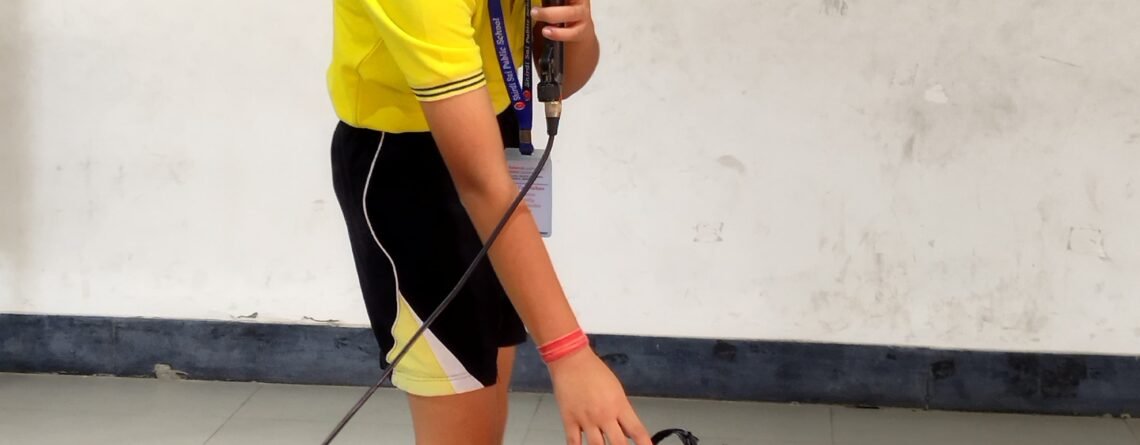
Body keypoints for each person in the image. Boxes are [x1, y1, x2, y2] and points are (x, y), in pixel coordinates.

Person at [326, 0, 651, 444]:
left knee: (485, 392)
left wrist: (577, 28)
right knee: (462, 408)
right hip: (410, 171)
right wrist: (570, 355)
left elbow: (561, 82)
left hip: (493, 139)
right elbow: (481, 185)